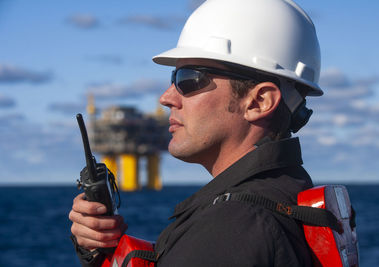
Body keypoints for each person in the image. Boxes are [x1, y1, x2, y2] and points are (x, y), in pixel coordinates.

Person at [69, 0, 324, 266]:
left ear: (259, 102)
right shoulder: (284, 196)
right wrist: (99, 251)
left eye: (188, 79)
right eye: (173, 78)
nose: (166, 98)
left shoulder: (231, 229)